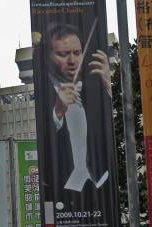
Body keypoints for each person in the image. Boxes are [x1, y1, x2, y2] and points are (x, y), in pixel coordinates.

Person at [46, 22, 112, 193]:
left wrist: (109, 86)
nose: (72, 61)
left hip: (102, 184)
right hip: (65, 190)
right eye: (63, 54)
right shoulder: (44, 94)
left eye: (77, 53)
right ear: (49, 56)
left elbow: (118, 130)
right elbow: (45, 145)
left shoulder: (96, 87)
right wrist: (58, 110)